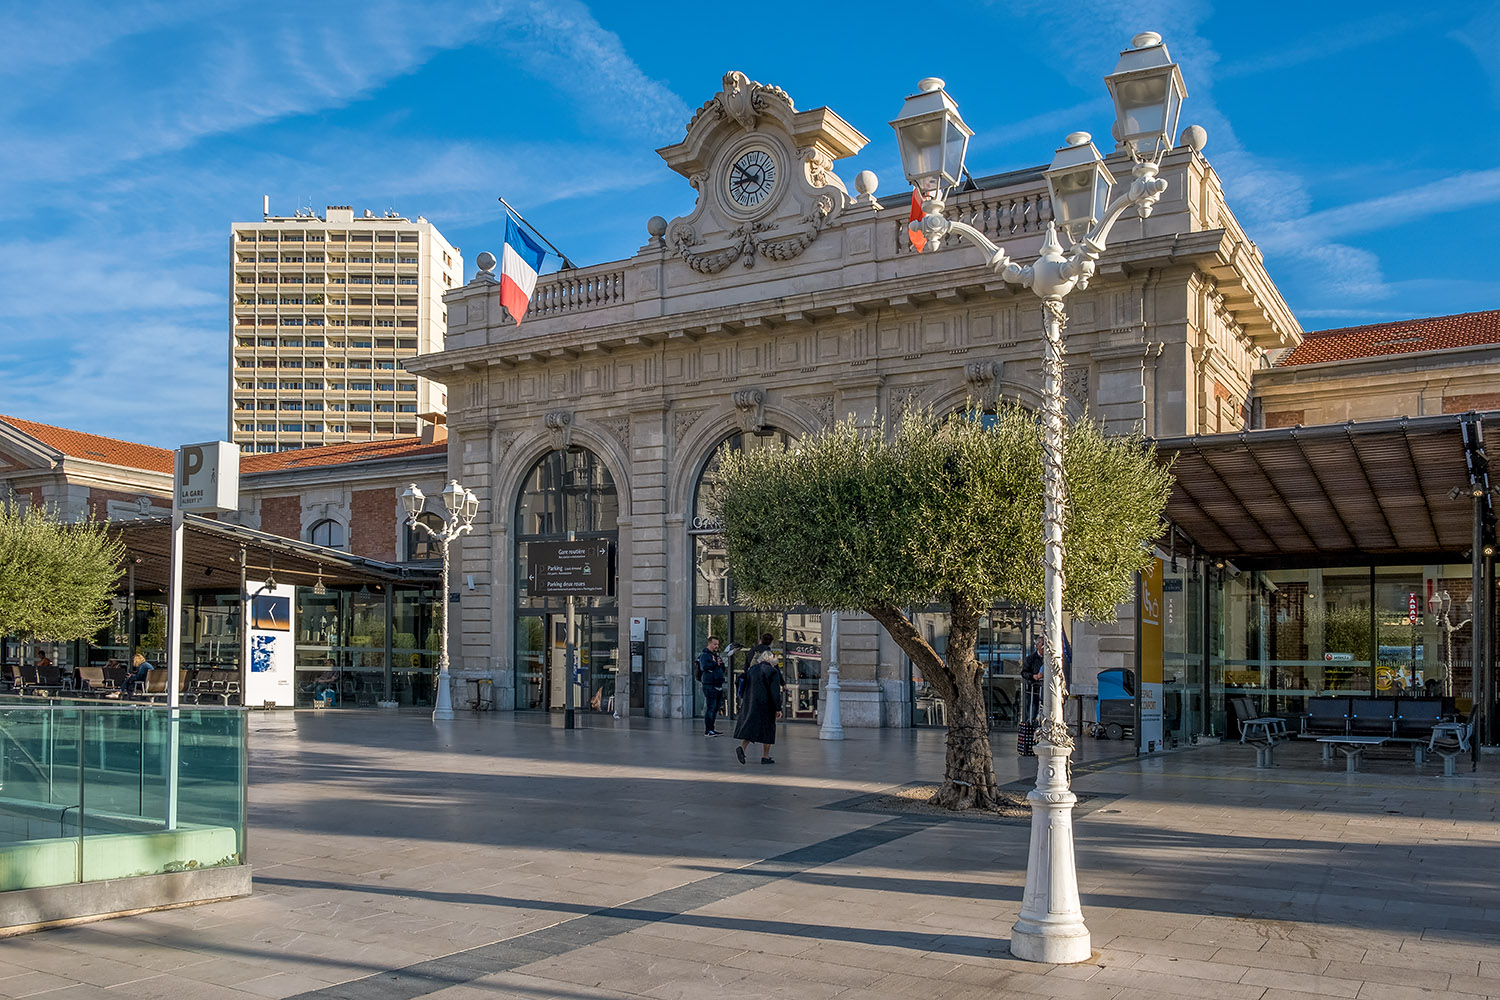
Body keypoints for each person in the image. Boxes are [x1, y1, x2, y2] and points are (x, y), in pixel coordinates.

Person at [734, 649, 784, 765]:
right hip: (766, 704)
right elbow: (774, 692)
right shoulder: (772, 672)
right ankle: (765, 756)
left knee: (751, 727)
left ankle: (742, 748)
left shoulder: (752, 670)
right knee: (768, 729)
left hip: (751, 702)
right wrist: (778, 708)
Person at [697, 636, 726, 736]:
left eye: (717, 644)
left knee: (716, 708)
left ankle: (712, 728)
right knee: (711, 707)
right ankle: (708, 730)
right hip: (710, 685)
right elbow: (704, 667)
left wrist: (721, 665)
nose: (717, 646)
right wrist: (715, 664)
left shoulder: (716, 656)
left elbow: (721, 669)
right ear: (709, 644)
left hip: (718, 684)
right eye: (715, 644)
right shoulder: (705, 655)